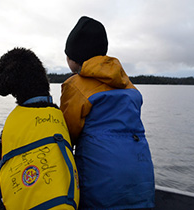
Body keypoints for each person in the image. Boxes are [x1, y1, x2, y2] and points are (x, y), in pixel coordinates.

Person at [60, 16, 155, 210]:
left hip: (100, 183)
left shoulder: (75, 86)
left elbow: (68, 135)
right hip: (142, 177)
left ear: (74, 59)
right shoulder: (129, 86)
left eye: (67, 55)